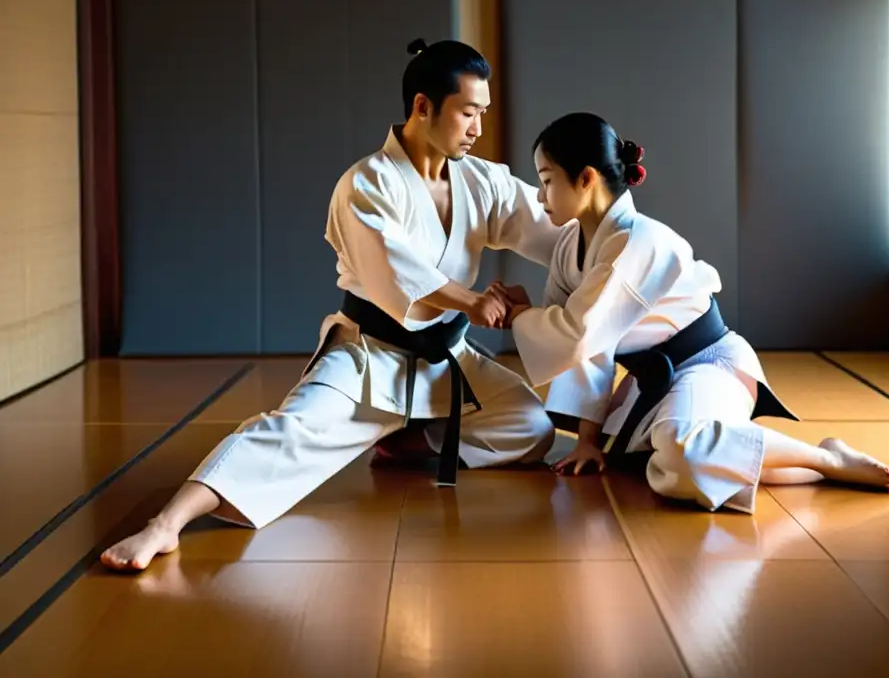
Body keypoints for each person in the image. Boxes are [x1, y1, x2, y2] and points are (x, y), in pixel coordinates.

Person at [100, 39, 560, 571]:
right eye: (468, 112)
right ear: (422, 107)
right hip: (369, 355)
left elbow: (553, 228)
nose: (478, 128)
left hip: (444, 359)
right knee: (287, 430)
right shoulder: (365, 184)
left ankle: (406, 436)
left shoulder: (482, 180)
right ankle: (166, 525)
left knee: (531, 427)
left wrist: (613, 230)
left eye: (483, 113)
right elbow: (394, 271)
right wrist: (471, 301)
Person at [500, 112, 889, 514]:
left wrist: (518, 315)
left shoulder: (640, 242)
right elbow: (582, 346)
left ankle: (825, 457)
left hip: (709, 366)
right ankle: (808, 465)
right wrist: (587, 438)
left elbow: (576, 334)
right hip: (653, 381)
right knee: (656, 467)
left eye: (547, 180)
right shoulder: (571, 245)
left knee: (681, 452)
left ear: (586, 179)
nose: (540, 195)